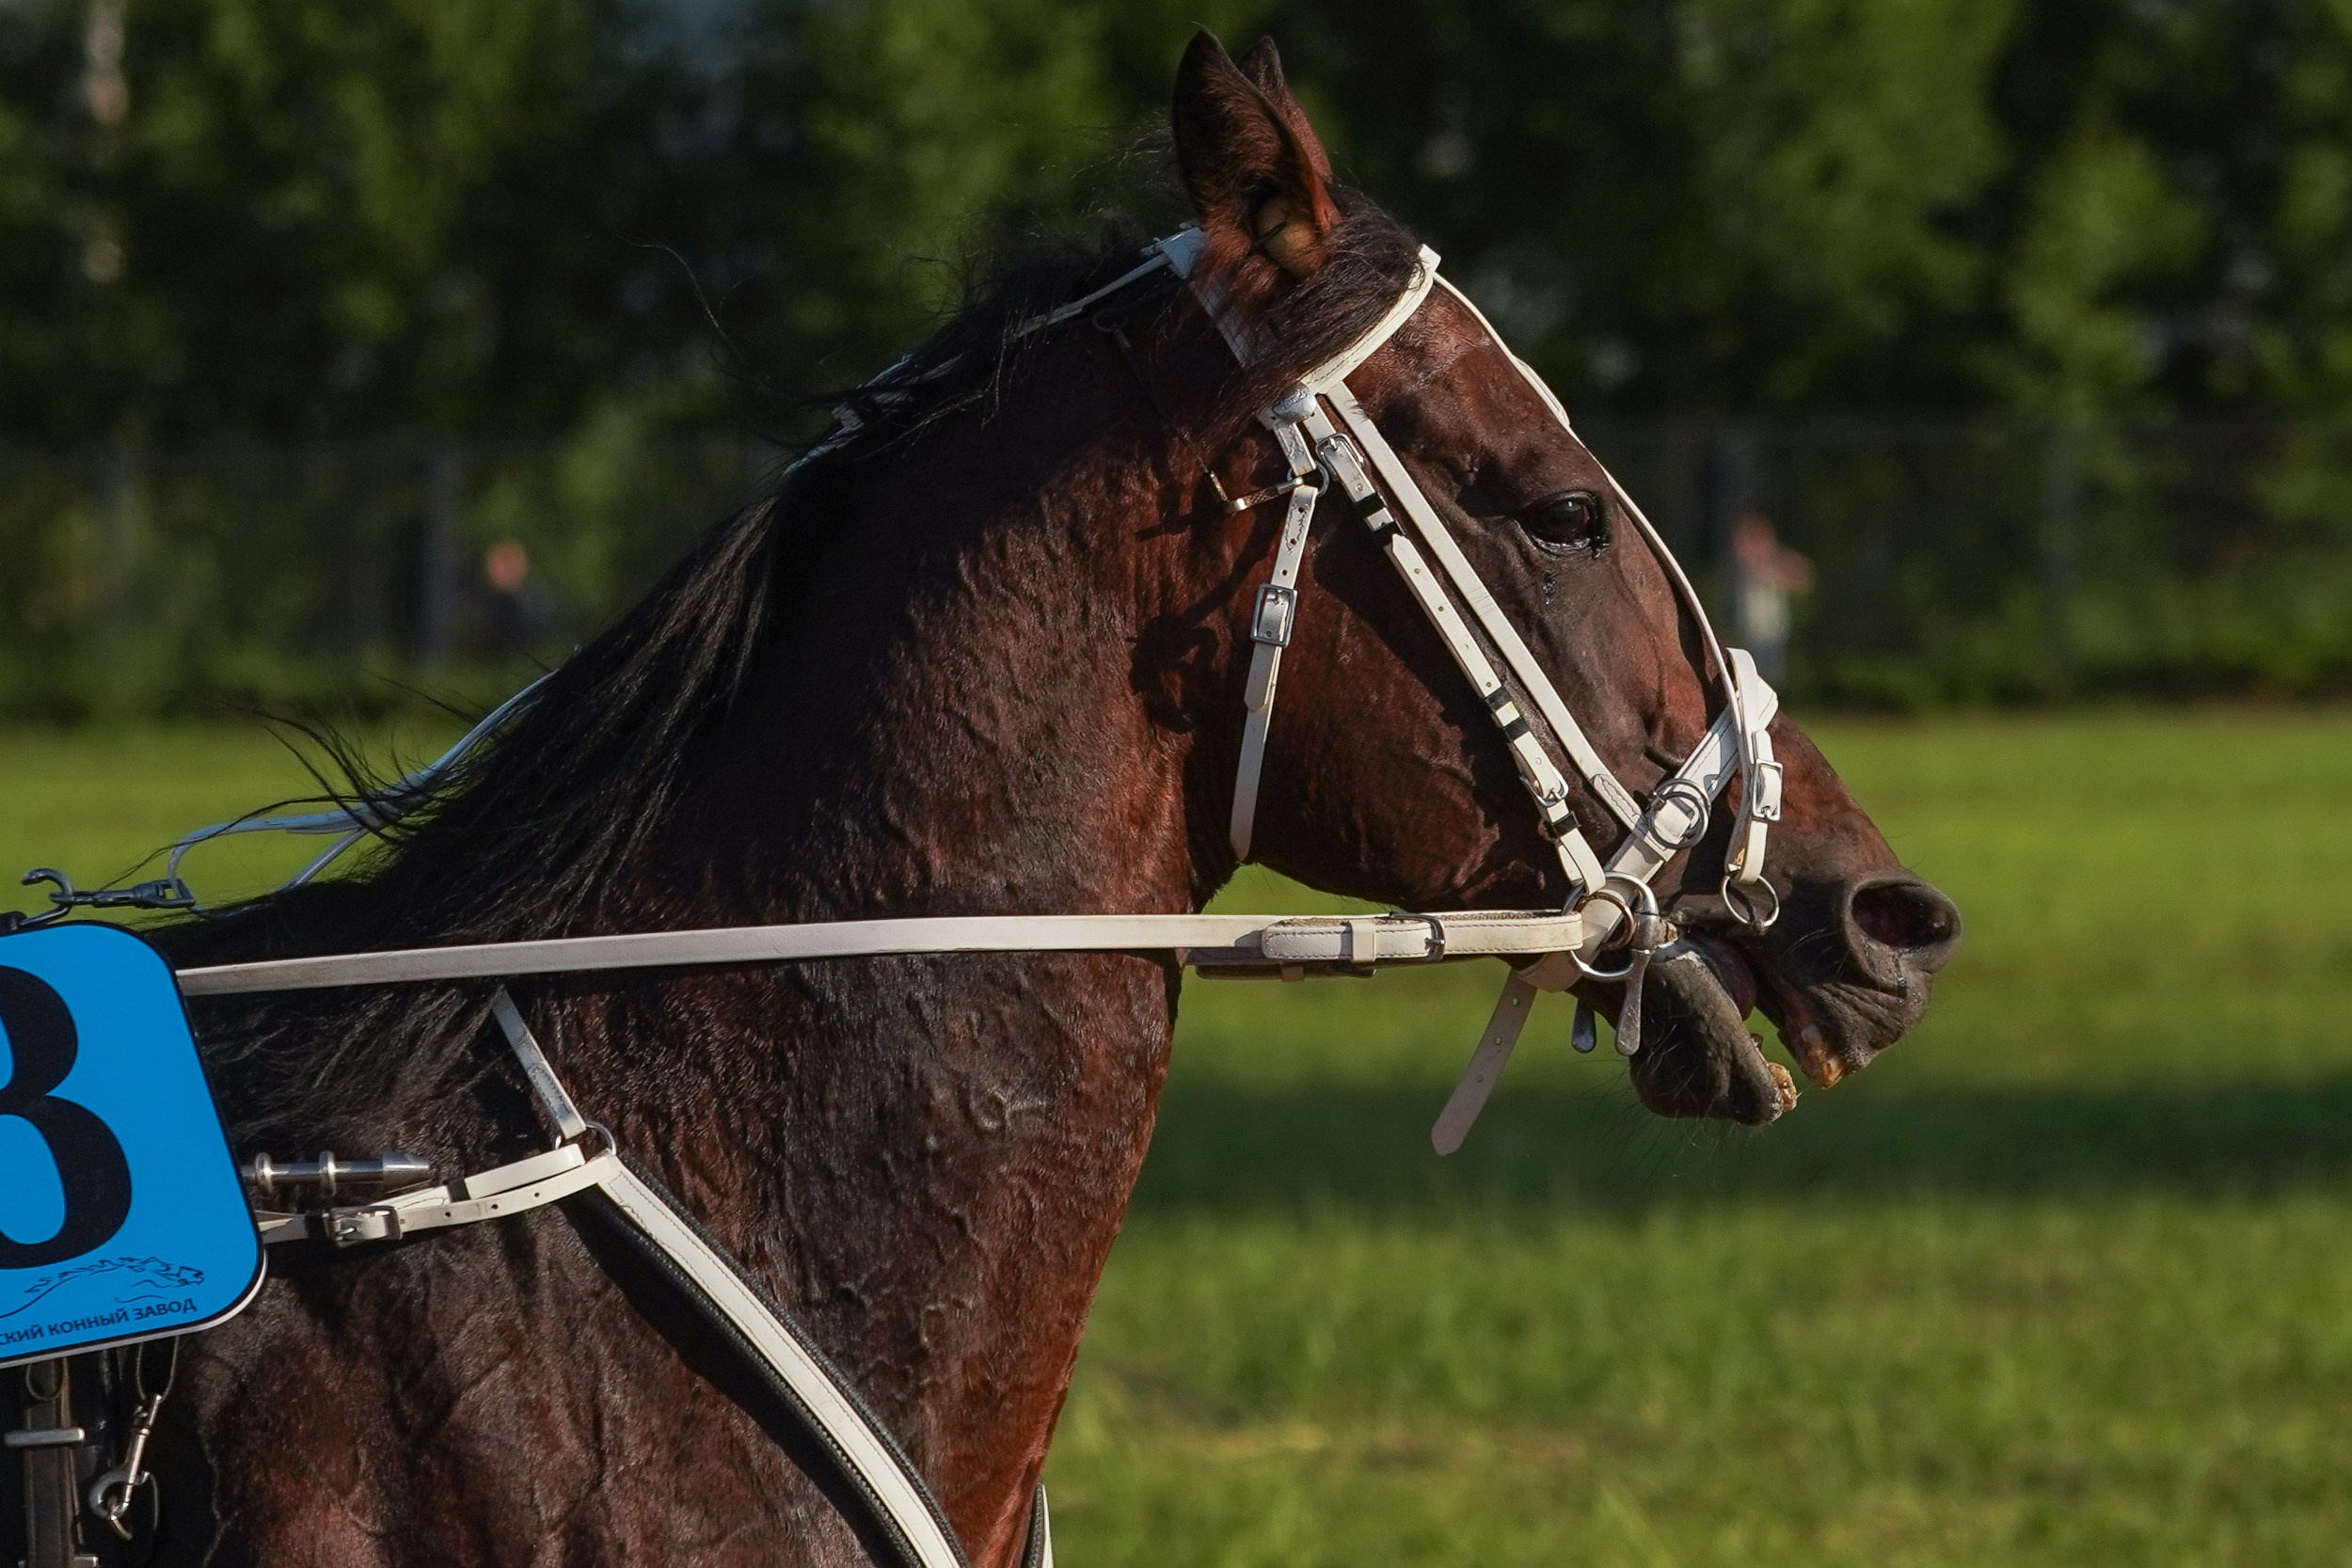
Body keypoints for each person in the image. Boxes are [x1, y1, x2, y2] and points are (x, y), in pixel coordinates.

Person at [1730, 512, 1813, 683]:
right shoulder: (1750, 566)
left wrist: (1774, 554)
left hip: (1772, 631)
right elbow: (1742, 550)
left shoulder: (1771, 567)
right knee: (1754, 675)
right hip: (1753, 631)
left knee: (1769, 677)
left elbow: (1804, 574)